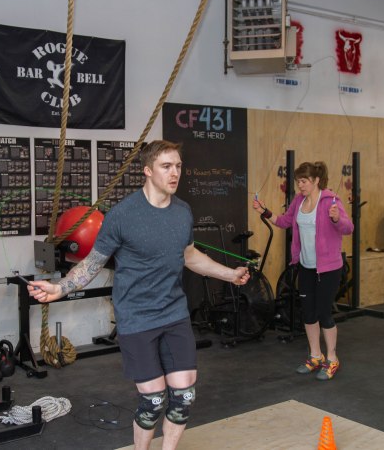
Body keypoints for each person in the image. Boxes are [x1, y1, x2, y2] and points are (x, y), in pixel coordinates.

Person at [27, 140, 250, 450]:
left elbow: (188, 255)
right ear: (147, 170)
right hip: (137, 319)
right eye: (166, 166)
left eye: (178, 166)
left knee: (184, 397)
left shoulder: (183, 212)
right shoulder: (123, 215)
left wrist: (229, 274)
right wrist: (61, 287)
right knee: (153, 401)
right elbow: (93, 263)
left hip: (174, 314)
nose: (175, 173)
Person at [252, 161, 353, 381]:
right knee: (308, 313)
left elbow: (348, 228)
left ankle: (332, 358)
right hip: (306, 266)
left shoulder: (330, 200)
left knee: (324, 313)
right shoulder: (299, 201)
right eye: (298, 182)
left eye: (304, 181)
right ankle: (315, 356)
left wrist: (337, 218)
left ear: (316, 180)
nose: (300, 185)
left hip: (328, 268)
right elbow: (284, 222)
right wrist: (264, 211)